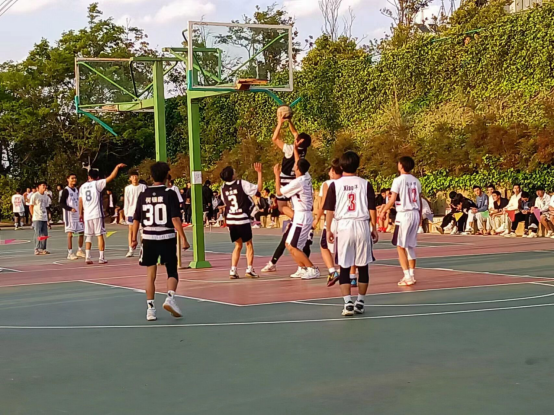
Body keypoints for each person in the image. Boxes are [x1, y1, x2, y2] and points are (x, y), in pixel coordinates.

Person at [131, 162, 188, 322]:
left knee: (150, 274)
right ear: (166, 176)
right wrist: (183, 238)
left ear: (151, 176)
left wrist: (133, 238)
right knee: (172, 270)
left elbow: (136, 218)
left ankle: (150, 309)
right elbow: (175, 218)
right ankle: (170, 297)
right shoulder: (170, 193)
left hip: (148, 237)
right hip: (166, 237)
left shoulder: (143, 194)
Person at [324, 151, 378, 316]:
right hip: (362, 225)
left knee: (345, 266)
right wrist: (374, 227)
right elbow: (372, 208)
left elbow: (330, 210)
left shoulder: (335, 185)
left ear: (341, 167)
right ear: (358, 166)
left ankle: (348, 303)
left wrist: (328, 229)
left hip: (344, 226)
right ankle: (360, 302)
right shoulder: (365, 184)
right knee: (363, 266)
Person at [274, 152, 320, 280]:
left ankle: (312, 269)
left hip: (302, 216)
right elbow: (298, 160)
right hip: (301, 215)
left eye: (295, 165)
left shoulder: (298, 182)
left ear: (298, 169)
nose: (294, 166)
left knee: (293, 246)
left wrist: (277, 175)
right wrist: (295, 148)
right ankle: (302, 268)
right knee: (289, 244)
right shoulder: (307, 176)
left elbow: (279, 192)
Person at [380, 156, 422, 287]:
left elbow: (392, 199)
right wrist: (420, 217)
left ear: (401, 165)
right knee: (410, 245)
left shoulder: (398, 180)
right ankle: (412, 274)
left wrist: (383, 211)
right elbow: (420, 200)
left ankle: (407, 276)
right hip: (415, 213)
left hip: (404, 214)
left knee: (400, 246)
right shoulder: (416, 181)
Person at [220, 164, 263, 279]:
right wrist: (259, 173)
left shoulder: (223, 188)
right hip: (242, 218)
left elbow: (225, 202)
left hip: (231, 219)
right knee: (249, 244)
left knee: (238, 245)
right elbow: (258, 189)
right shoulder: (241, 183)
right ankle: (249, 269)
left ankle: (233, 270)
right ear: (232, 175)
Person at [79, 164, 126, 265]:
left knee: (88, 236)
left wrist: (80, 214)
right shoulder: (97, 184)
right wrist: (117, 167)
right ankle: (101, 257)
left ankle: (87, 257)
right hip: (96, 214)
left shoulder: (82, 187)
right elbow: (111, 177)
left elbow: (80, 201)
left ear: (88, 176)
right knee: (100, 235)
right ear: (98, 177)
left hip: (87, 215)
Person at [313, 158, 343, 285]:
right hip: (345, 219)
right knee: (344, 247)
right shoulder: (349, 183)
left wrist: (317, 219)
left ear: (334, 171)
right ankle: (349, 273)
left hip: (332, 219)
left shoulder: (327, 184)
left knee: (324, 245)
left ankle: (332, 271)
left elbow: (324, 204)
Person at [60, 174, 85, 260]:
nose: (74, 179)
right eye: (72, 178)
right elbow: (61, 203)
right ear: (68, 179)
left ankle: (79, 250)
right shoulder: (66, 190)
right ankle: (70, 253)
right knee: (70, 234)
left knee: (81, 232)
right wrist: (70, 208)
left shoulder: (77, 190)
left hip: (77, 214)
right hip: (69, 215)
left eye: (75, 178)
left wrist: (82, 211)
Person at [124, 170, 147, 257]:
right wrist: (126, 213)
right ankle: (131, 249)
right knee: (131, 231)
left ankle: (143, 249)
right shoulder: (128, 188)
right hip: (131, 212)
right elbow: (126, 201)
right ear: (130, 178)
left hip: (142, 212)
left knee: (142, 231)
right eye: (132, 176)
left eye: (136, 176)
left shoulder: (143, 187)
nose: (134, 178)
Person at [30, 182, 51, 255]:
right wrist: (33, 215)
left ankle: (43, 249)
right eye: (43, 185)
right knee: (38, 233)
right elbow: (31, 206)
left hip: (44, 217)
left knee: (44, 234)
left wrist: (47, 219)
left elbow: (46, 207)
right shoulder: (35, 195)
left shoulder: (46, 196)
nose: (45, 187)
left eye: (45, 185)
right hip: (37, 217)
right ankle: (36, 249)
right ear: (39, 187)